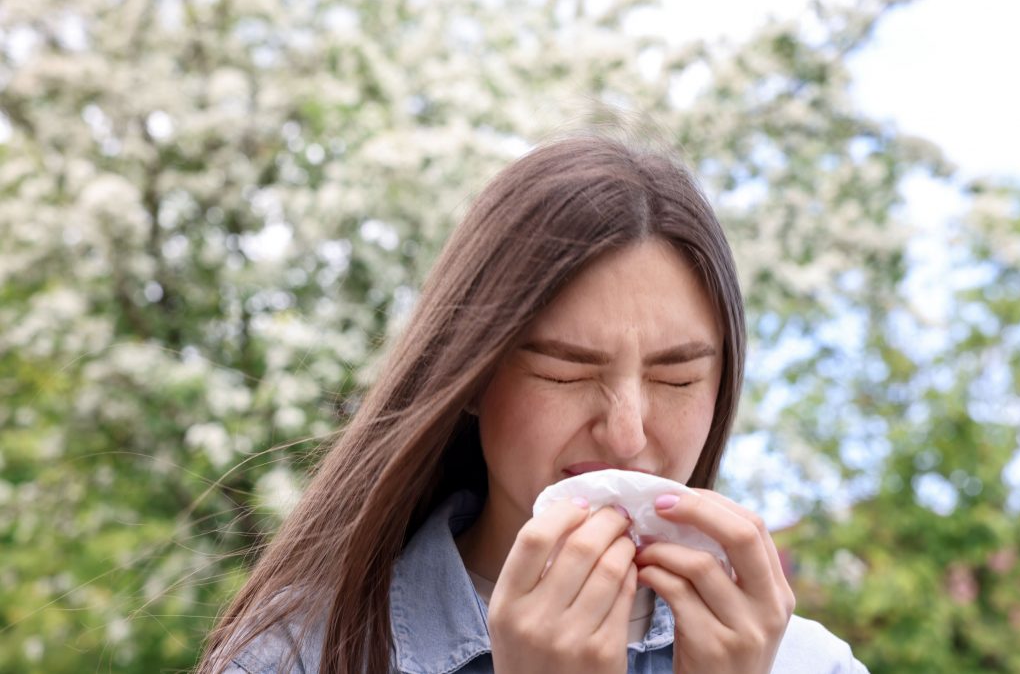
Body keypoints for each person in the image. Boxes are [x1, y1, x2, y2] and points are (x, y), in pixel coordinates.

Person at [199, 134, 869, 673]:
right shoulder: (291, 655)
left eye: (678, 378)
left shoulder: (812, 663)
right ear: (469, 376)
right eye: (563, 371)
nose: (628, 435)